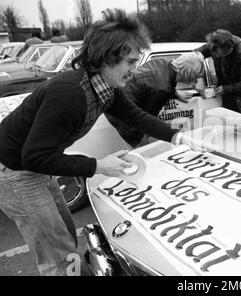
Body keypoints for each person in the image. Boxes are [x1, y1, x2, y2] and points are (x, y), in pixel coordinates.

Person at [0, 8, 210, 276]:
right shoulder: (68, 94)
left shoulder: (104, 86)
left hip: (37, 169)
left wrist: (178, 136)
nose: (135, 70)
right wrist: (98, 165)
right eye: (130, 62)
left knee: (66, 235)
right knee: (59, 257)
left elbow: (135, 115)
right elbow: (33, 157)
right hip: (15, 174)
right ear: (108, 57)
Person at [106, 52, 205, 147]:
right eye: (195, 77)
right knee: (145, 151)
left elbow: (150, 83)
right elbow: (147, 121)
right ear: (188, 74)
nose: (195, 81)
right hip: (124, 117)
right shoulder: (163, 90)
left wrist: (175, 93)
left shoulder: (162, 62)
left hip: (115, 101)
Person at [196, 29, 241, 113]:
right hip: (228, 96)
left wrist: (225, 89)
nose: (217, 57)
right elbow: (195, 55)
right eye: (215, 55)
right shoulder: (215, 44)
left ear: (230, 49)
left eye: (221, 55)